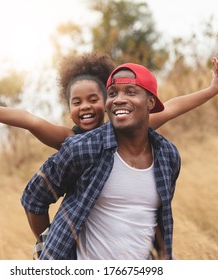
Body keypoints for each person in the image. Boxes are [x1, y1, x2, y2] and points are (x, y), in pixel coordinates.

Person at [21, 62, 181, 259]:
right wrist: (49, 245)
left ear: (150, 102)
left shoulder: (168, 156)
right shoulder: (81, 148)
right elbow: (34, 198)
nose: (119, 100)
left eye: (130, 92)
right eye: (112, 93)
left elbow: (159, 223)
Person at [0, 52, 218, 150]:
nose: (85, 107)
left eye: (93, 99)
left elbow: (173, 105)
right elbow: (29, 119)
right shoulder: (69, 139)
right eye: (76, 103)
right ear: (69, 109)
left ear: (108, 101)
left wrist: (211, 90)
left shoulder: (128, 129)